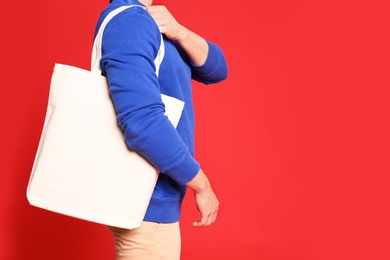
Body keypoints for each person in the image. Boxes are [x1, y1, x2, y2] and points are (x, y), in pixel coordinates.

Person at [95, 0, 228, 259]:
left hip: (151, 206)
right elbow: (142, 122)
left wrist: (179, 31)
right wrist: (202, 184)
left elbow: (217, 69)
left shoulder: (145, 20)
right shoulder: (131, 22)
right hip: (147, 207)